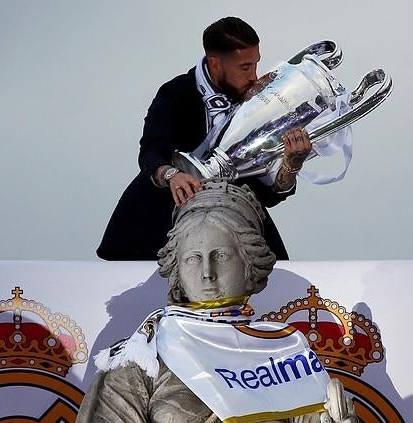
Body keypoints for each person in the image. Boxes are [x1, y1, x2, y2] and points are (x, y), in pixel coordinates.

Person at [77, 180, 357, 423]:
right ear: (177, 271)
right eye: (193, 258)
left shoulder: (286, 355)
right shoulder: (141, 359)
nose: (207, 273)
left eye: (220, 256)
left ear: (250, 266)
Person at [97, 16, 312, 261]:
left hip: (233, 227)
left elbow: (267, 193)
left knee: (274, 285)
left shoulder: (261, 100)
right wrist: (172, 175)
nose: (254, 76)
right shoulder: (176, 93)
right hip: (156, 226)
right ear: (215, 63)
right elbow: (151, 150)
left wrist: (291, 165)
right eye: (245, 67)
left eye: (255, 64)